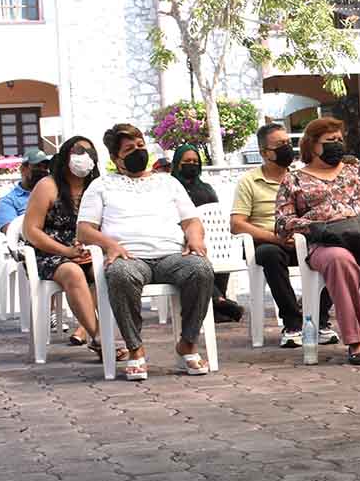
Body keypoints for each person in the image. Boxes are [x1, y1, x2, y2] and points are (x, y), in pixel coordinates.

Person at [78, 122, 217, 381]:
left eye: (141, 145)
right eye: (129, 149)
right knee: (119, 274)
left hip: (171, 256)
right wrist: (110, 244)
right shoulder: (101, 186)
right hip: (129, 257)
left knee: (201, 268)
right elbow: (84, 230)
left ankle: (187, 343)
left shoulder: (168, 182)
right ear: (115, 158)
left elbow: (191, 221)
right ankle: (135, 349)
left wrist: (195, 239)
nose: (138, 151)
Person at [275, 117, 360, 365]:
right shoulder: (294, 179)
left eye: (339, 140)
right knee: (339, 260)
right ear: (312, 145)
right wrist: (321, 223)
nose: (337, 144)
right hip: (327, 242)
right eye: (329, 140)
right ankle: (355, 341)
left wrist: (358, 214)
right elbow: (282, 223)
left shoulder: (355, 169)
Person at [232, 122, 336, 349]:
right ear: (264, 152)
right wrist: (274, 238)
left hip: (301, 238)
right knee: (270, 254)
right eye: (280, 145)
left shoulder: (301, 177)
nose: (286, 149)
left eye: (288, 143)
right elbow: (237, 224)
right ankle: (293, 323)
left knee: (335, 251)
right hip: (268, 242)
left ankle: (319, 317)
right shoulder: (249, 181)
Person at [23, 136, 111, 360]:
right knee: (72, 271)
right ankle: (100, 338)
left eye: (89, 153)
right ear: (65, 156)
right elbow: (31, 231)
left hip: (90, 252)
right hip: (51, 253)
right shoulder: (47, 186)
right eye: (78, 151)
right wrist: (67, 252)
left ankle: (120, 336)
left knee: (114, 271)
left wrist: (90, 249)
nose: (84, 157)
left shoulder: (100, 187)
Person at [169, 143, 244, 324]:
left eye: (195, 161)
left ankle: (218, 301)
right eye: (187, 161)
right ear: (178, 163)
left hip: (210, 238)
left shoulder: (206, 188)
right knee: (196, 255)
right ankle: (218, 301)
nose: (192, 164)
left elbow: (216, 216)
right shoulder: (170, 187)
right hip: (179, 241)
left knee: (218, 249)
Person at [0, 146, 53, 233]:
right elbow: (11, 231)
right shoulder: (9, 201)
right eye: (37, 166)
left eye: (45, 167)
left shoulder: (55, 193)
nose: (42, 170)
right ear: (23, 169)